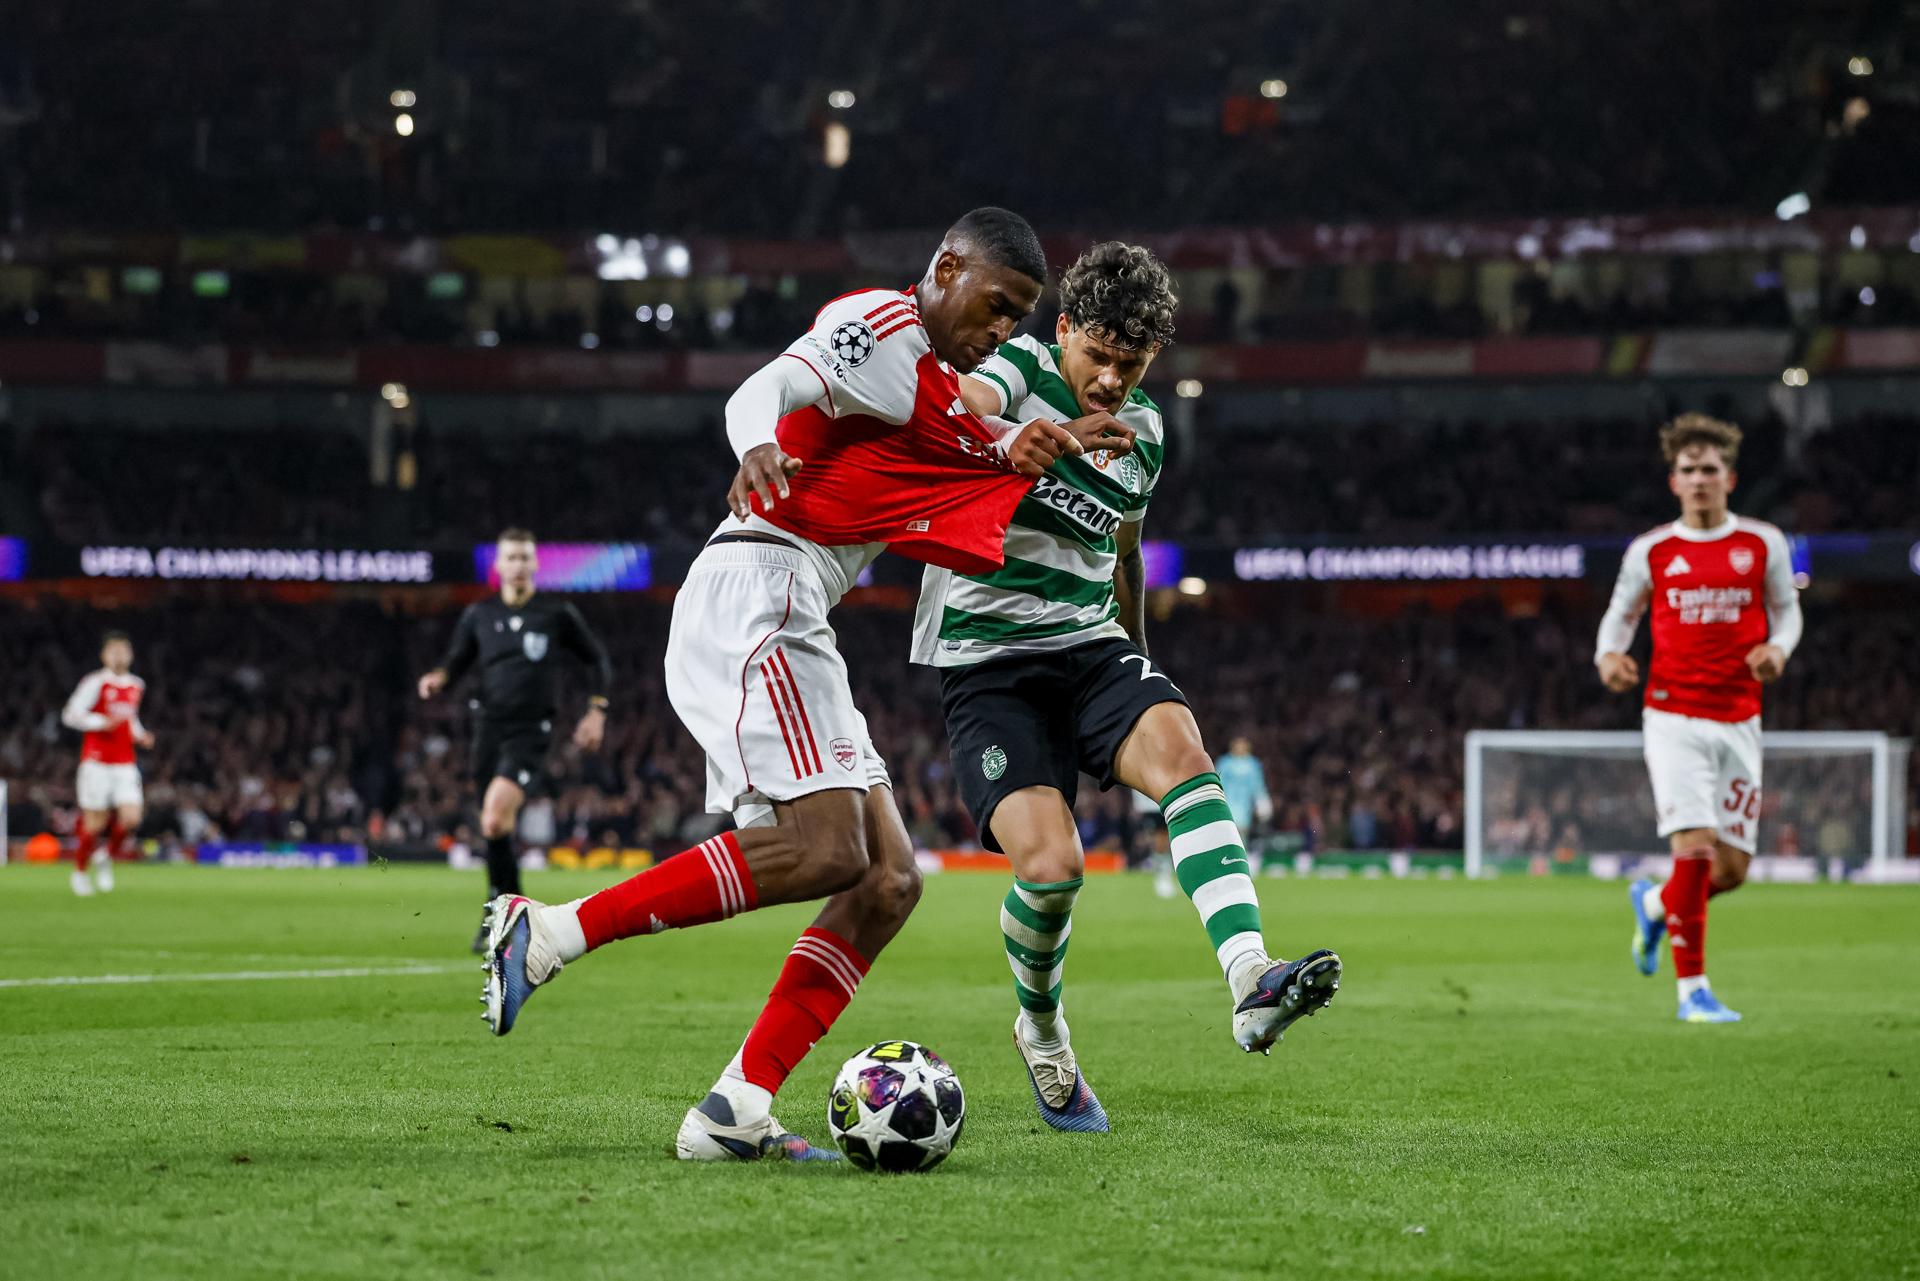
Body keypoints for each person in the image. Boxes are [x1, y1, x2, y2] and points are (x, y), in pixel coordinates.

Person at [477, 207, 1131, 1161]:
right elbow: (769, 385)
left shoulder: (939, 384)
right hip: (761, 586)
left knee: (889, 878)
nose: (1000, 331)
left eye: (1017, 320)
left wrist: (1032, 444)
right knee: (826, 848)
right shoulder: (884, 328)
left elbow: (948, 452)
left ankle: (735, 1106)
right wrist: (752, 442)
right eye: (995, 305)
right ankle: (548, 932)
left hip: (797, 603)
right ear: (946, 268)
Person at [911, 241, 1341, 1131]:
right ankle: (1040, 1028)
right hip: (987, 660)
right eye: (1096, 356)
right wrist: (1051, 434)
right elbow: (948, 417)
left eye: (1129, 365)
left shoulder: (1144, 432)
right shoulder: (1017, 370)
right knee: (1053, 868)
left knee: (1184, 748)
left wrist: (1136, 658)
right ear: (1063, 330)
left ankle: (1250, 977)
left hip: (1087, 641)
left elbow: (1126, 547)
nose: (1108, 380)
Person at [1596, 414, 1802, 1023]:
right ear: (1674, 482)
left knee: (1732, 871)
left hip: (1740, 719)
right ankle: (1694, 993)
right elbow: (1620, 615)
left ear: (1729, 478)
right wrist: (1609, 655)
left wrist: (1779, 650)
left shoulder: (1762, 543)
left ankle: (1655, 905)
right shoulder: (1653, 550)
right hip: (1673, 716)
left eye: (1710, 469)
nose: (1700, 479)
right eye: (1689, 470)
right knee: (1694, 849)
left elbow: (1788, 613)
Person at [418, 530, 612, 950]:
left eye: (526, 558)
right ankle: (514, 916)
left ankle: (499, 915)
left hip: (530, 731)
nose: (519, 565)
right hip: (486, 730)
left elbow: (596, 658)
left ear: (536, 565)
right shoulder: (479, 615)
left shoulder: (556, 613)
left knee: (492, 817)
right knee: (497, 828)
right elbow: (458, 659)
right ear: (499, 566)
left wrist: (596, 710)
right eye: (512, 558)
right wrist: (440, 678)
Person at [61, 631, 153, 896]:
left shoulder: (137, 685)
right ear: (104, 655)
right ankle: (79, 871)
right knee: (95, 824)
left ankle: (106, 856)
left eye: (124, 650)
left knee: (132, 818)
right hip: (96, 763)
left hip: (125, 762)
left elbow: (130, 718)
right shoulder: (95, 682)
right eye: (113, 651)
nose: (119, 655)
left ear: (131, 654)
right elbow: (70, 714)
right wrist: (100, 722)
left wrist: (140, 735)